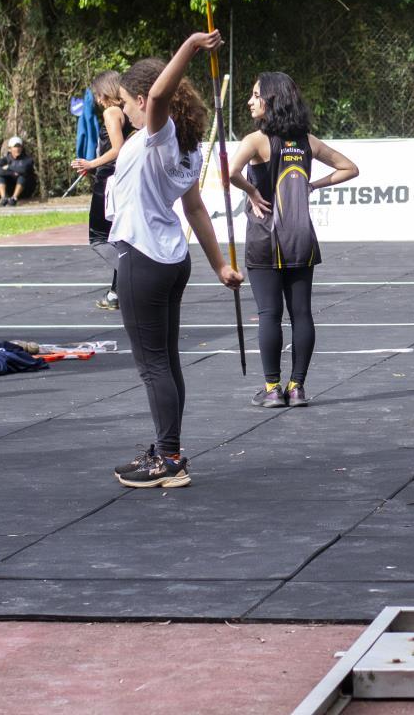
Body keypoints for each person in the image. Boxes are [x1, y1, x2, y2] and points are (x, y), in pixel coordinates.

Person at [107, 32, 241, 490]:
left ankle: (168, 459)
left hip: (144, 258)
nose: (123, 110)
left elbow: (162, 91)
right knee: (166, 361)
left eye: (126, 102)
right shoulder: (188, 145)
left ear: (143, 100)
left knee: (153, 366)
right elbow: (195, 209)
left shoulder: (158, 134)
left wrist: (187, 47)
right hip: (170, 258)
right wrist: (220, 265)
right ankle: (170, 450)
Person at [227, 72, 358, 408]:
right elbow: (349, 168)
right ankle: (296, 387)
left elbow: (229, 173)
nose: (250, 101)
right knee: (302, 313)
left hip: (264, 238)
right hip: (300, 236)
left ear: (271, 99)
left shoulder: (256, 140)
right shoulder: (307, 141)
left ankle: (272, 389)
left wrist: (253, 191)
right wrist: (313, 185)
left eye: (256, 95)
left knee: (269, 313)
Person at [72, 71, 128, 310]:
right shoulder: (128, 112)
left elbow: (118, 148)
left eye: (97, 94)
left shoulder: (111, 112)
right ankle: (117, 293)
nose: (96, 99)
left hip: (109, 179)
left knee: (98, 238)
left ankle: (132, 276)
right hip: (119, 177)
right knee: (119, 237)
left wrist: (91, 164)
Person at [0, 136, 37, 205]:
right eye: (15, 147)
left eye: (19, 147)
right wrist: (13, 173)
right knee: (1, 176)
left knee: (22, 176)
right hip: (10, 189)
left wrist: (9, 167)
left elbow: (23, 170)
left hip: (25, 190)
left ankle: (14, 198)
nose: (17, 149)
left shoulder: (28, 160)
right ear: (9, 149)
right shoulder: (5, 159)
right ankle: (3, 198)